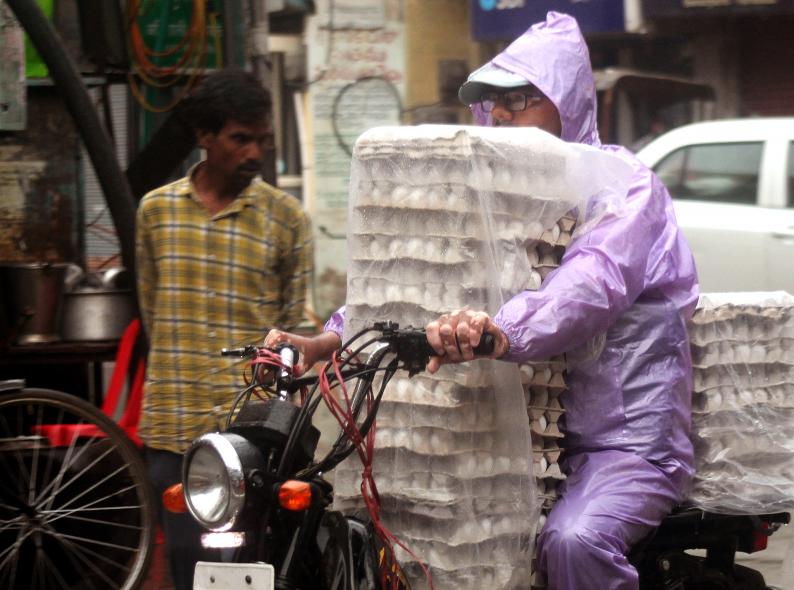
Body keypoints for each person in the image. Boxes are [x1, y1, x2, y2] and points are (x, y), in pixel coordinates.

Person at [265, 12, 697, 590]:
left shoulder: (622, 185)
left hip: (618, 442)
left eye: (519, 100)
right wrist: (329, 337)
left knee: (574, 543)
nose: (500, 116)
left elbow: (592, 282)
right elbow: (417, 280)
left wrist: (499, 330)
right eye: (492, 103)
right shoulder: (499, 196)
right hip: (512, 440)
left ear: (566, 102)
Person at [136, 68, 313, 590]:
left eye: (262, 140)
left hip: (254, 435)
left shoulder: (287, 219)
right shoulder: (155, 213)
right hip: (175, 428)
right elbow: (152, 312)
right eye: (240, 139)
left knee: (258, 568)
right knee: (191, 568)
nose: (254, 152)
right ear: (205, 137)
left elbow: (296, 327)